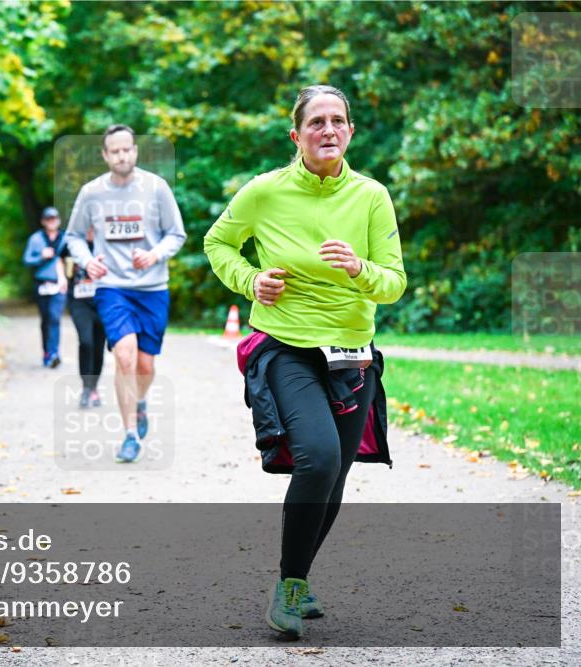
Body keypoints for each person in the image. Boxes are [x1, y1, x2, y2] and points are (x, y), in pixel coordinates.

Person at [204, 85, 406, 639]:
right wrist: (251, 280)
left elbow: (394, 283)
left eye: (338, 121)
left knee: (335, 473)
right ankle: (291, 585)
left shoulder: (371, 196)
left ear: (351, 132)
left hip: (351, 354)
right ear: (297, 136)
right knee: (316, 457)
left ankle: (296, 578)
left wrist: (359, 269)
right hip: (287, 345)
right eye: (316, 122)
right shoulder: (265, 193)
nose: (329, 130)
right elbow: (217, 243)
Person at [66, 124, 187, 463]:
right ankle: (130, 433)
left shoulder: (156, 187)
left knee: (145, 366)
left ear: (135, 151)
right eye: (114, 151)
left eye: (127, 149)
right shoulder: (91, 193)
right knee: (124, 356)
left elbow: (176, 234)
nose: (121, 155)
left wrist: (154, 255)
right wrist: (88, 261)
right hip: (111, 286)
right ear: (105, 155)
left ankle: (141, 402)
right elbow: (73, 236)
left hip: (152, 288)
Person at [64, 227, 106, 409]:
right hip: (79, 301)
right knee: (86, 342)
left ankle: (94, 387)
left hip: (103, 301)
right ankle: (85, 388)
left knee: (98, 347)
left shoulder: (105, 243)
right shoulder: (73, 244)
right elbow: (61, 261)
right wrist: (61, 278)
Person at [23, 206, 68, 368]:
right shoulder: (36, 239)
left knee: (55, 317)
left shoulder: (65, 239)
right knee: (46, 319)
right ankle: (46, 352)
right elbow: (27, 260)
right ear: (43, 221)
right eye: (48, 219)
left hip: (59, 284)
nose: (52, 222)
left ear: (59, 220)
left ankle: (54, 352)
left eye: (54, 218)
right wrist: (41, 256)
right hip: (42, 284)